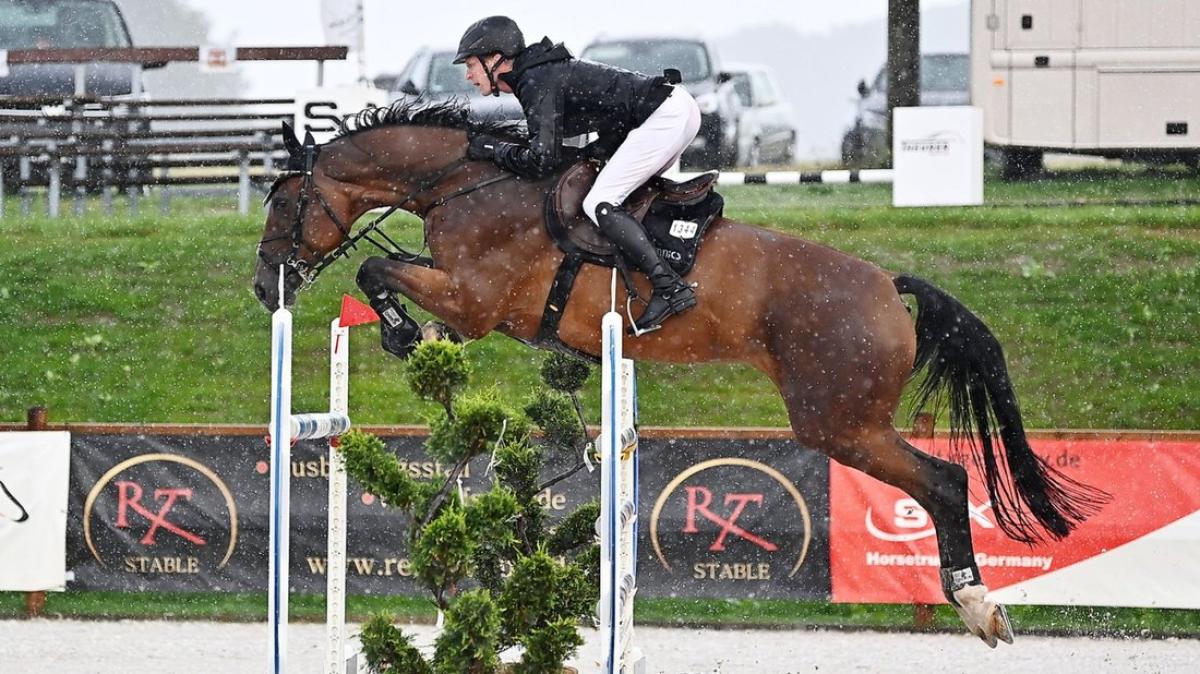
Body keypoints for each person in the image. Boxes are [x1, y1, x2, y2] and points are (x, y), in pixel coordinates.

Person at [454, 16, 702, 334]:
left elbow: (542, 158)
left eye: (471, 65)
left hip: (665, 116)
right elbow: (557, 149)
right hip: (671, 110)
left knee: (599, 202)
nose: (468, 75)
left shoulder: (534, 78)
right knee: (613, 196)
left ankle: (669, 289)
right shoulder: (535, 74)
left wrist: (492, 150)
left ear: (495, 59)